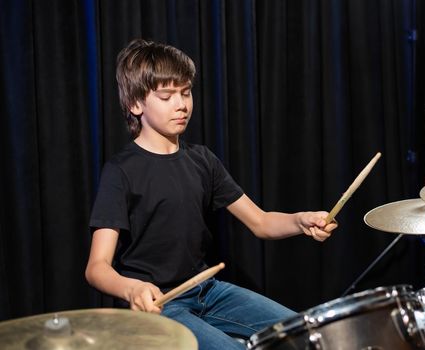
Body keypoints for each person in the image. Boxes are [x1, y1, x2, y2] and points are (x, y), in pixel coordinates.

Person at [85, 39, 338, 349]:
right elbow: (96, 267)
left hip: (210, 291)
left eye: (186, 92)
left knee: (303, 336)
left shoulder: (202, 159)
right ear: (136, 104)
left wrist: (300, 221)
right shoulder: (120, 171)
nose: (181, 104)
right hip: (163, 305)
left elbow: (260, 221)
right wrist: (131, 289)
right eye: (166, 96)